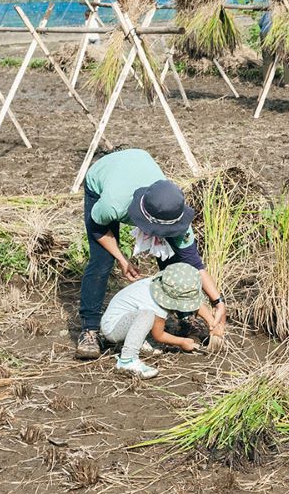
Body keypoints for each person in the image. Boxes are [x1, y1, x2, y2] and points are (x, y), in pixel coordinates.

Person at [75, 148, 226, 360]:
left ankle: (185, 316)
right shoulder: (113, 204)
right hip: (105, 177)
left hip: (140, 163)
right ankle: (89, 330)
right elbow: (98, 229)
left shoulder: (173, 212)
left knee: (174, 262)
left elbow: (194, 266)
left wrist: (218, 302)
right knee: (102, 261)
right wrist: (122, 259)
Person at [100, 263, 212, 380]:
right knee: (147, 315)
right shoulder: (155, 304)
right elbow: (158, 335)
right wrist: (182, 342)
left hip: (126, 320)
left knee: (148, 318)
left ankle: (142, 342)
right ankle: (127, 360)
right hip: (113, 327)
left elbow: (195, 303)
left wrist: (212, 323)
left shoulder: (161, 285)